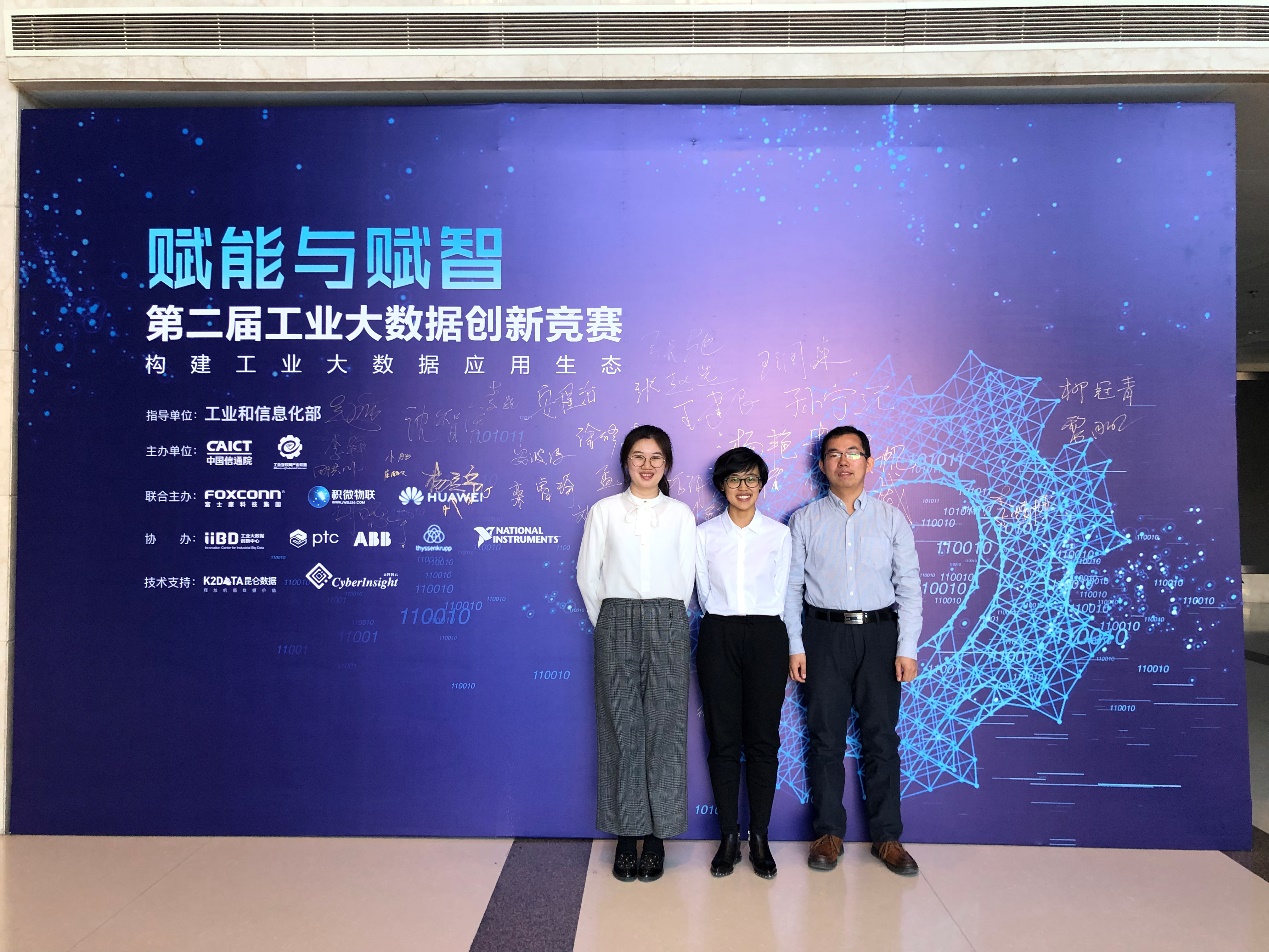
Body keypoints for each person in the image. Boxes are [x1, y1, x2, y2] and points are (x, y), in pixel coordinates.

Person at [784, 425, 923, 876]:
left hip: (880, 636)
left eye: (853, 452)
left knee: (881, 737)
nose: (843, 461)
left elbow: (909, 587)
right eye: (834, 454)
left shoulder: (891, 519)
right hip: (822, 635)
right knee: (825, 737)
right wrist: (795, 645)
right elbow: (791, 589)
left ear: (869, 461)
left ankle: (888, 837)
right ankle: (828, 834)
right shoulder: (804, 520)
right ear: (822, 464)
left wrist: (906, 647)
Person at [576, 424, 696, 882]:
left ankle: (659, 837)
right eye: (638, 457)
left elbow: (686, 577)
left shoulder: (680, 514)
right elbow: (588, 575)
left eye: (656, 458)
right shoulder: (604, 511)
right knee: (621, 728)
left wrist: (665, 618)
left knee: (666, 730)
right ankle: (627, 836)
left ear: (667, 464)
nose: (647, 466)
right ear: (626, 462)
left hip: (667, 617)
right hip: (616, 618)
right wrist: (610, 623)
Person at [695, 447, 792, 879]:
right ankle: (728, 838)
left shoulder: (779, 535)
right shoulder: (703, 535)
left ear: (762, 484)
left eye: (752, 478)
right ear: (721, 485)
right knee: (723, 739)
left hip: (767, 635)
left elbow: (784, 591)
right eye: (734, 479)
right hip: (718, 632)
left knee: (763, 740)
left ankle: (760, 838)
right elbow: (701, 591)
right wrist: (724, 624)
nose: (743, 487)